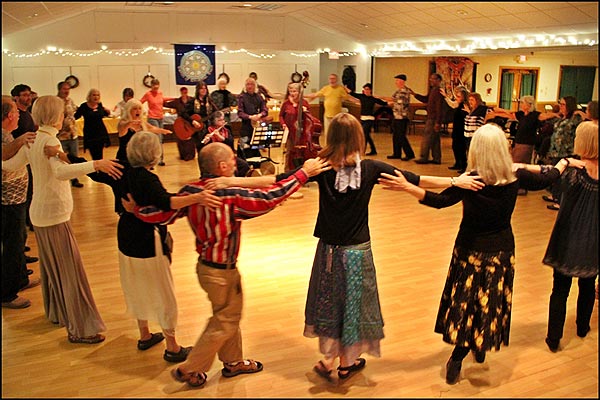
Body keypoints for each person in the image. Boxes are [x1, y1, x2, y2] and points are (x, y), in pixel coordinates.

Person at [378, 123, 579, 385]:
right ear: (501, 149)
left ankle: (458, 356)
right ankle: (479, 345)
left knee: (466, 302)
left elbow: (440, 202)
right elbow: (550, 176)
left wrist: (409, 188)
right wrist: (565, 162)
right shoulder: (515, 175)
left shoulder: (470, 179)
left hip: (469, 250)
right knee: (489, 301)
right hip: (501, 251)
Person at [122, 142, 330, 388]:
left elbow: (163, 213)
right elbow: (270, 197)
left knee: (228, 314)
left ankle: (233, 362)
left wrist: (136, 210)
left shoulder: (192, 190)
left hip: (206, 269)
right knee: (225, 320)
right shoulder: (228, 195)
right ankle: (190, 369)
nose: (236, 163)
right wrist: (304, 173)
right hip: (221, 271)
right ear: (221, 166)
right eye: (232, 159)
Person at [2, 95, 123, 344]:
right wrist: (96, 164)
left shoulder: (33, 139)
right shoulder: (48, 139)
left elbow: (10, 166)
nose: (64, 118)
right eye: (62, 114)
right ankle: (80, 329)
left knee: (54, 269)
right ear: (55, 116)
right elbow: (60, 173)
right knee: (70, 272)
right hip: (53, 214)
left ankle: (58, 314)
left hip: (39, 213)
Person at [116, 131, 221, 361]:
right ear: (152, 153)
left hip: (125, 235)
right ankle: (172, 347)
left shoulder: (122, 171)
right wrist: (198, 197)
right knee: (162, 290)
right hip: (146, 239)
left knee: (135, 284)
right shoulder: (147, 178)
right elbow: (169, 203)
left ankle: (144, 335)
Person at [542, 121, 598, 353]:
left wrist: (563, 163)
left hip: (569, 234)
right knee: (588, 285)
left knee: (560, 289)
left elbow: (554, 191)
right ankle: (582, 327)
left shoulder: (574, 171)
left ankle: (554, 338)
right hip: (594, 236)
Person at [1, 95, 40, 309]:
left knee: (19, 243)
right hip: (8, 203)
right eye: (16, 112)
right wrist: (21, 140)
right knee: (12, 246)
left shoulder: (7, 134)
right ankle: (7, 294)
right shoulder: (5, 137)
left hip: (16, 201)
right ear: (9, 116)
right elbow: (4, 157)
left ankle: (20, 279)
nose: (19, 115)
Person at [10, 84, 38, 256]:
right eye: (25, 95)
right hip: (18, 163)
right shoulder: (16, 117)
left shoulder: (27, 114)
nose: (28, 98)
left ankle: (22, 240)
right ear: (16, 97)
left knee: (30, 194)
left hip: (28, 160)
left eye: (29, 95)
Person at [543, 96, 583, 210]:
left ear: (569, 106)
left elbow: (584, 121)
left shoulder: (575, 118)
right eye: (560, 104)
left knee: (564, 178)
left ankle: (561, 202)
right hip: (556, 151)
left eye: (563, 104)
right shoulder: (561, 118)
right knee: (556, 175)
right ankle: (555, 196)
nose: (560, 106)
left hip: (566, 152)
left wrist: (577, 111)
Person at [279, 82, 322, 173]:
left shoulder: (304, 103)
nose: (292, 93)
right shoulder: (286, 104)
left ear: (299, 92)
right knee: (289, 152)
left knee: (304, 153)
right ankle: (288, 172)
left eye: (294, 91)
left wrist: (305, 111)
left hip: (302, 135)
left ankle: (305, 172)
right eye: (290, 91)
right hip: (290, 133)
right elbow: (281, 116)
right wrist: (283, 124)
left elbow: (310, 119)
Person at [305, 73, 350, 146]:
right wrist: (303, 96)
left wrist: (358, 101)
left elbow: (348, 97)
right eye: (330, 79)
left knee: (337, 134)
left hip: (337, 116)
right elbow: (315, 95)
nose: (332, 80)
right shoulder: (326, 88)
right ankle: (328, 148)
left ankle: (337, 148)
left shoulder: (340, 89)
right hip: (327, 116)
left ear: (337, 80)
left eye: (333, 79)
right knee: (327, 134)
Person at [202, 110, 250, 177]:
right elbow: (204, 149)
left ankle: (236, 181)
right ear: (214, 122)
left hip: (227, 155)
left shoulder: (227, 130)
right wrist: (206, 142)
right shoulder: (208, 131)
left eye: (223, 119)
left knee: (244, 165)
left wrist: (221, 138)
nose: (223, 121)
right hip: (215, 158)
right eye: (220, 120)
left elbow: (231, 143)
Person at [410, 73, 444, 164]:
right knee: (435, 139)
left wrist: (438, 122)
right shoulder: (433, 90)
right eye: (430, 78)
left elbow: (439, 107)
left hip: (433, 119)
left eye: (433, 79)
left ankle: (423, 157)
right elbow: (426, 99)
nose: (430, 80)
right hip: (432, 117)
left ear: (438, 80)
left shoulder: (438, 92)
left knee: (427, 138)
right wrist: (415, 94)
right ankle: (437, 158)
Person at [346, 83, 388, 155]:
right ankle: (373, 150)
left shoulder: (373, 99)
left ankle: (362, 151)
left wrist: (389, 100)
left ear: (370, 90)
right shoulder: (362, 97)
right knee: (367, 135)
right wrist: (346, 89)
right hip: (363, 119)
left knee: (364, 134)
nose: (366, 91)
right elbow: (353, 94)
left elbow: (384, 103)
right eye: (365, 89)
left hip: (370, 119)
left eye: (367, 89)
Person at [140, 78, 174, 166]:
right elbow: (140, 102)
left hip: (160, 118)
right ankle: (158, 159)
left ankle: (159, 158)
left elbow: (163, 99)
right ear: (151, 86)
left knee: (161, 139)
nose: (156, 88)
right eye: (154, 86)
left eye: (157, 86)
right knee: (157, 138)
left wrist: (175, 98)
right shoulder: (148, 94)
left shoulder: (160, 93)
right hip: (152, 118)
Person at [56, 81, 83, 188]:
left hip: (73, 135)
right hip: (61, 136)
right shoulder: (55, 102)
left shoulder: (70, 101)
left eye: (68, 89)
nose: (66, 91)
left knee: (73, 158)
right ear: (59, 89)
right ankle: (62, 180)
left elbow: (75, 113)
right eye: (64, 89)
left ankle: (74, 179)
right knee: (61, 159)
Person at [74, 88, 112, 160]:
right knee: (94, 155)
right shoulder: (84, 106)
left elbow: (103, 114)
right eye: (94, 95)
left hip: (100, 133)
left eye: (97, 95)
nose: (96, 97)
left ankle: (100, 169)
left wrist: (107, 111)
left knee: (100, 155)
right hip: (90, 134)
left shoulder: (100, 105)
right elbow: (76, 116)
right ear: (89, 96)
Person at [384, 74, 415, 160]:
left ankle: (409, 154)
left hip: (402, 117)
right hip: (396, 115)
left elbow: (395, 100)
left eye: (397, 80)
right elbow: (393, 100)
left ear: (402, 81)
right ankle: (397, 153)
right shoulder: (398, 91)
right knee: (396, 135)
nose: (396, 82)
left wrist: (379, 97)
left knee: (401, 136)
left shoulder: (404, 91)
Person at [237, 77, 268, 159]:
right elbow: (240, 113)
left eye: (252, 84)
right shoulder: (242, 97)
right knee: (245, 150)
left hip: (257, 127)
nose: (250, 86)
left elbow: (265, 110)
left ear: (255, 86)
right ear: (245, 86)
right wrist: (250, 117)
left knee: (256, 148)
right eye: (248, 84)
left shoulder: (259, 97)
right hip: (246, 128)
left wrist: (260, 115)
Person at [165, 86, 196, 161]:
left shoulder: (192, 100)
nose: (184, 93)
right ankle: (182, 155)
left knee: (190, 139)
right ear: (181, 92)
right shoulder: (177, 101)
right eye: (183, 92)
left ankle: (191, 155)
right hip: (180, 122)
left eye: (185, 92)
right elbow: (166, 104)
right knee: (181, 138)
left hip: (189, 121)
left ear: (187, 92)